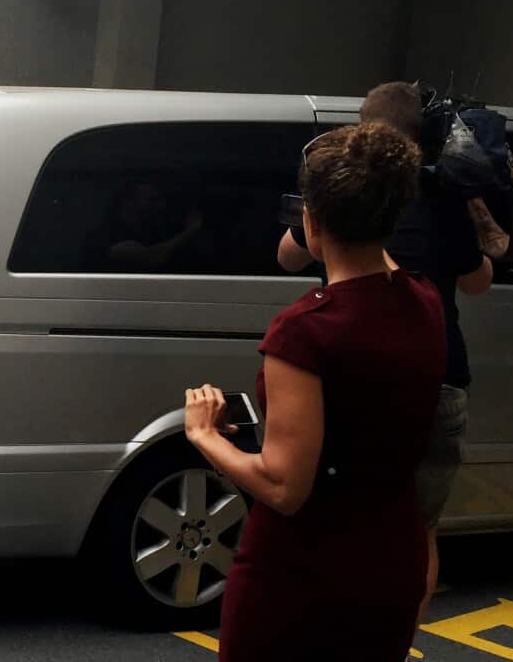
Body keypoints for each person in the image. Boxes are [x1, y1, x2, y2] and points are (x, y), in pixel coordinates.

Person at [186, 123, 446, 660]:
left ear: (311, 220)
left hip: (303, 576)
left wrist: (206, 435)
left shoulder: (306, 330)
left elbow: (284, 487)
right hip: (390, 561)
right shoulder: (425, 302)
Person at [276, 82, 493, 620]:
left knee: (338, 520)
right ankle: (393, 641)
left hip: (348, 376)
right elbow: (478, 280)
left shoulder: (340, 189)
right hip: (436, 378)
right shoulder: (444, 192)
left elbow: (286, 258)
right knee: (419, 532)